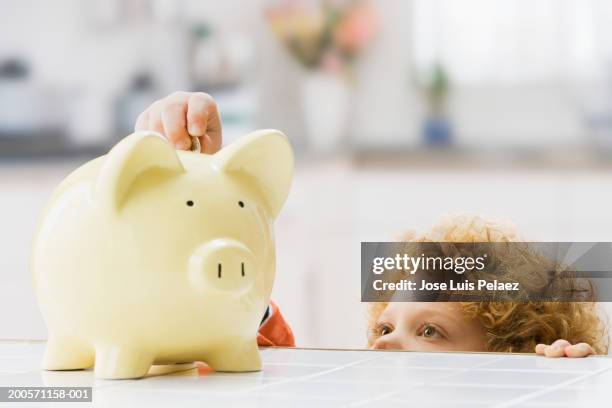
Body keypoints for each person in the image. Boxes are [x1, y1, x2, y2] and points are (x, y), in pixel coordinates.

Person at [136, 92, 608, 357]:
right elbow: (262, 357)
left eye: (429, 332)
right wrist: (207, 200)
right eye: (383, 330)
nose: (384, 346)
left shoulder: (535, 375)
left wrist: (568, 384)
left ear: (512, 360)